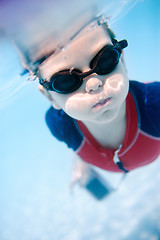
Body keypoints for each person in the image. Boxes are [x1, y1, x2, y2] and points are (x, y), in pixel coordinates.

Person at [18, 20, 160, 185]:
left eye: (106, 60)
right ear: (50, 98)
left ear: (122, 61)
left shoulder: (155, 103)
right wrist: (82, 160)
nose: (93, 84)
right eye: (66, 81)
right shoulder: (59, 124)